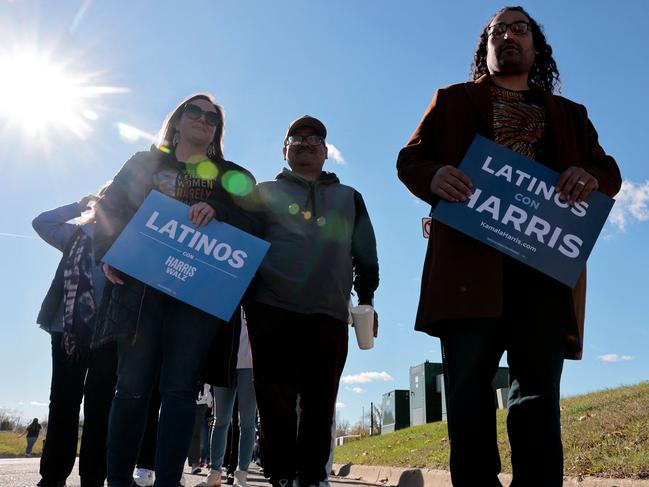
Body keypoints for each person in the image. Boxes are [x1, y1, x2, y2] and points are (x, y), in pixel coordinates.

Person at [396, 6, 622, 487]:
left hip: (541, 271)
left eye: (520, 29)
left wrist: (591, 176)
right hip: (468, 270)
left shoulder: (569, 114)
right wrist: (434, 175)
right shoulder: (452, 101)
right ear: (486, 48)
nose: (508, 36)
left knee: (537, 395)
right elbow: (411, 159)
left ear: (536, 47)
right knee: (468, 394)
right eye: (498, 31)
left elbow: (610, 172)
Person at [93, 93, 254, 487]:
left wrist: (221, 211)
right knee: (131, 387)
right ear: (178, 120)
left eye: (212, 117)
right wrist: (107, 251)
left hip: (194, 300)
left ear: (217, 130)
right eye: (194, 112)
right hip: (139, 291)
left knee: (180, 391)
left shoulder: (229, 174)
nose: (203, 119)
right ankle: (117, 480)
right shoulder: (143, 163)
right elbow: (110, 205)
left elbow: (255, 215)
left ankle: (168, 481)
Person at [245, 115, 379, 487]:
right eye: (296, 139)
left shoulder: (349, 197)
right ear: (284, 150)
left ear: (326, 151)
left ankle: (312, 476)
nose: (305, 144)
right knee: (274, 401)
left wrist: (366, 299)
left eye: (314, 140)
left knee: (320, 402)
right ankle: (281, 474)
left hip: (328, 313)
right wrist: (248, 300)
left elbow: (365, 253)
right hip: (270, 309)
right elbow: (244, 247)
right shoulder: (264, 192)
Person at [33, 187, 115, 487]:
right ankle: (53, 476)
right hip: (66, 330)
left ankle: (93, 477)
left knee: (100, 406)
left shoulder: (128, 239)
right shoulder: (75, 235)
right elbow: (41, 223)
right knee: (64, 403)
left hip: (108, 334)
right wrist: (76, 206)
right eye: (107, 198)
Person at [201, 311, 256, 487]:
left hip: (251, 365)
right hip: (224, 361)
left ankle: (241, 474)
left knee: (247, 422)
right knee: (220, 420)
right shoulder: (228, 290)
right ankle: (215, 473)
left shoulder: (259, 293)